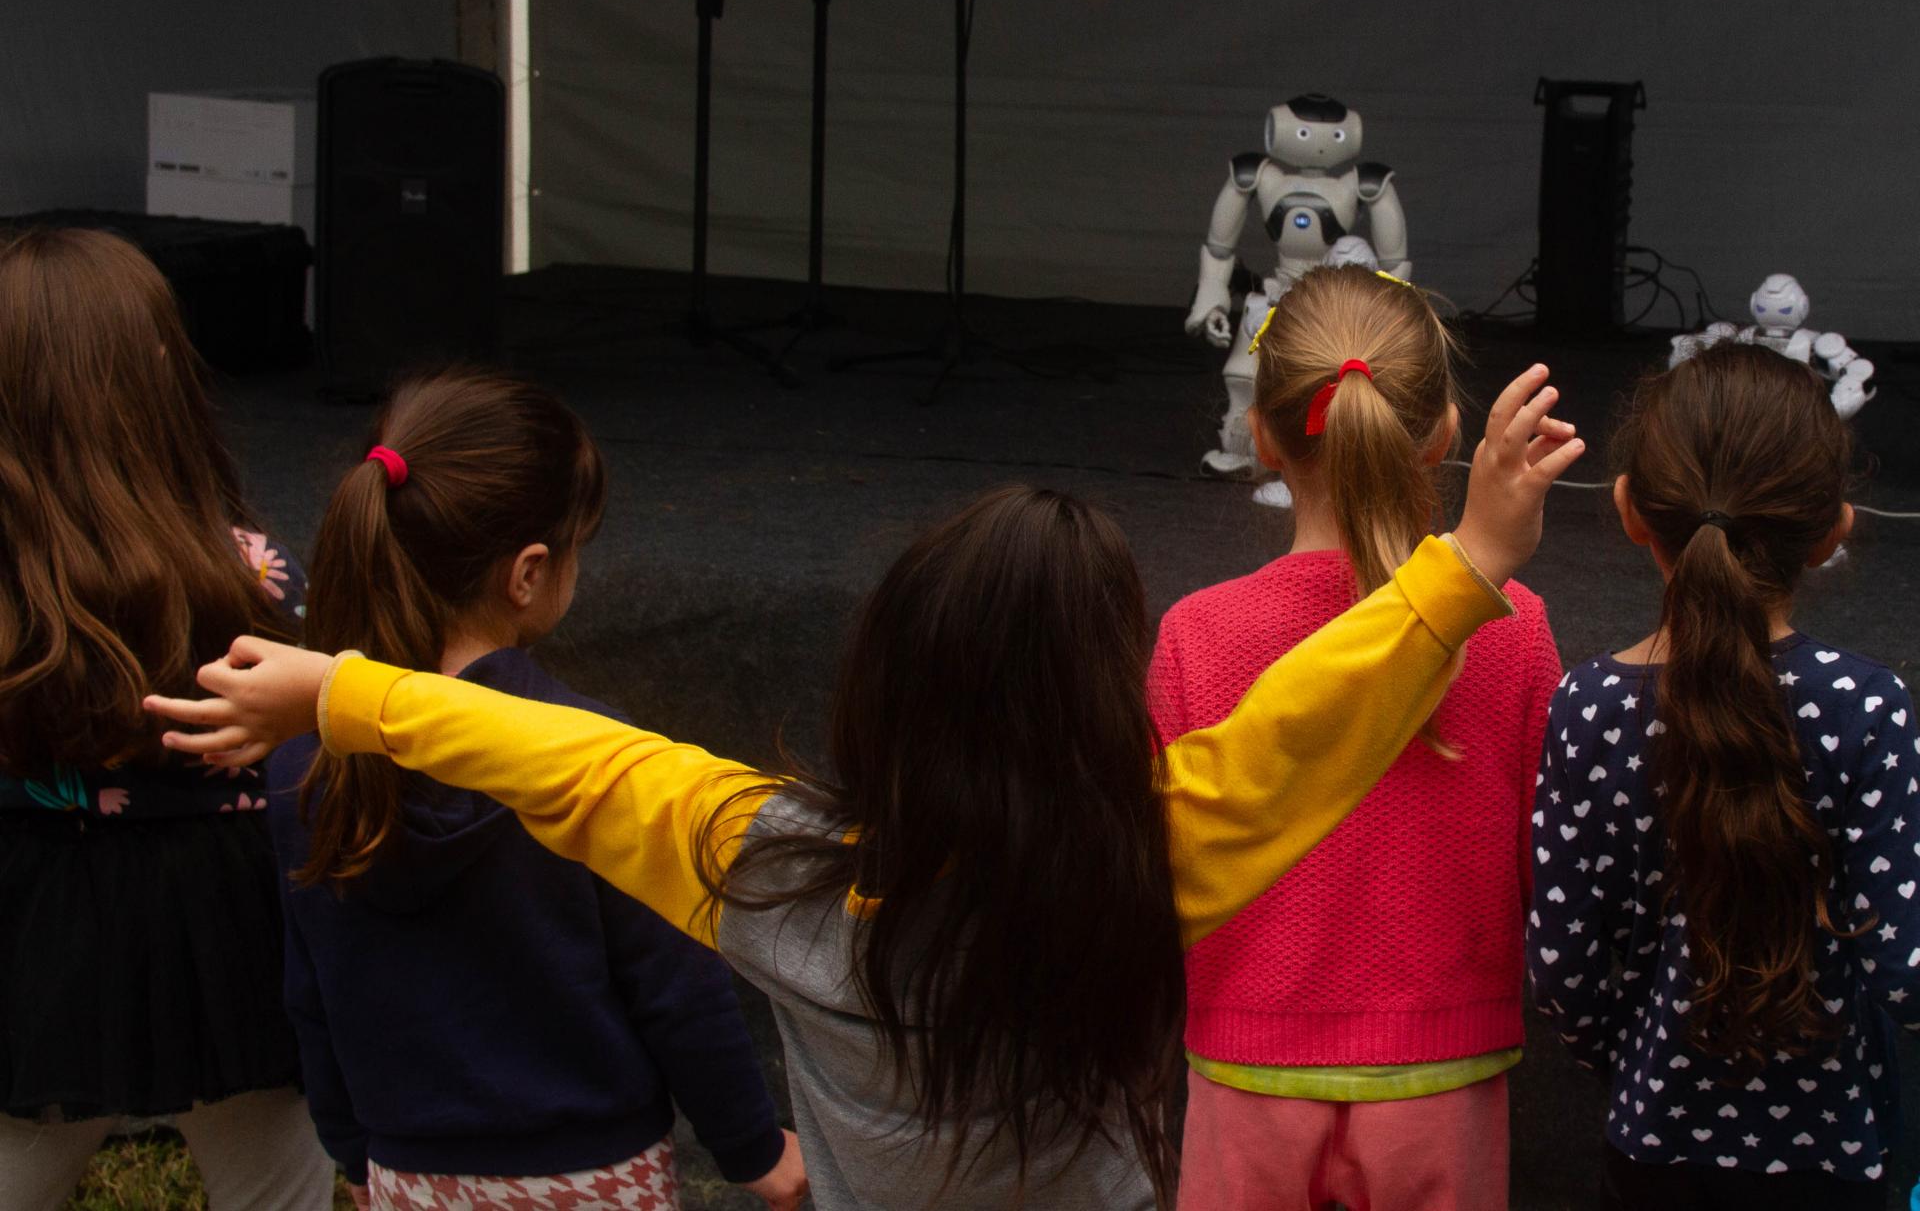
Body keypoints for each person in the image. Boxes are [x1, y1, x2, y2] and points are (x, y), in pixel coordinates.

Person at [147, 365, 1582, 1210]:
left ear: (880, 679)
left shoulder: (780, 869)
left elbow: (577, 767)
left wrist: (341, 693)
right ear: (1106, 696)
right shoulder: (1157, 857)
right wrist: (1463, 570)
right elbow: (1310, 729)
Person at [265, 369, 805, 1211]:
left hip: (410, 1174)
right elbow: (673, 981)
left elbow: (312, 992)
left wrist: (353, 1151)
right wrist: (752, 1145)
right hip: (596, 1173)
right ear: (528, 573)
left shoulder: (305, 756)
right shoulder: (582, 752)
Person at [1150, 266, 1561, 1211]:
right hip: (1445, 1070)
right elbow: (1543, 861)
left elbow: (1165, 860)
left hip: (1245, 1070)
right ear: (1445, 433)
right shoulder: (1513, 623)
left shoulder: (1196, 634)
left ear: (1259, 437)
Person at [1527, 342, 1920, 1209]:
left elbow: (1561, 968)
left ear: (1631, 510)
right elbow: (1905, 965)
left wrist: (1632, 1053)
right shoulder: (1867, 704)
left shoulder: (1589, 704)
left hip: (1653, 1141)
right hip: (1837, 1152)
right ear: (1833, 530)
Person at [0, 227, 333, 1210]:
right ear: (159, 379)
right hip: (226, 925)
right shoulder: (252, 569)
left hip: (30, 921)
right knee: (276, 1185)